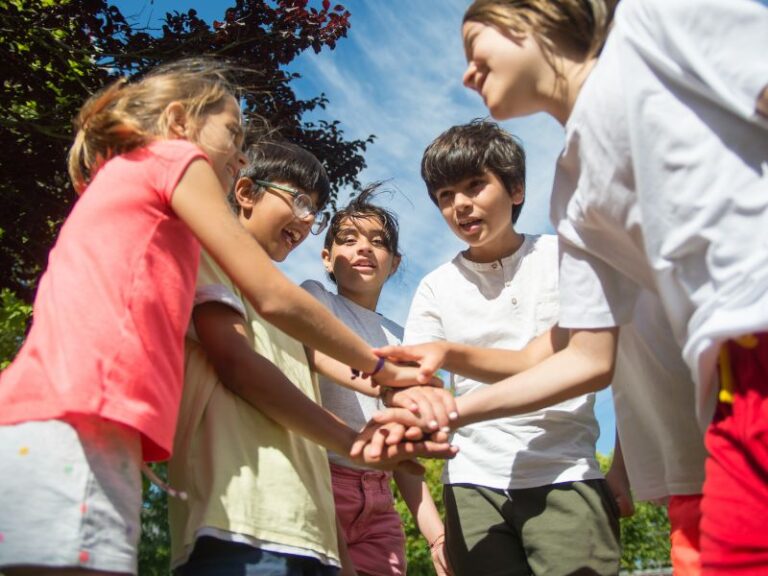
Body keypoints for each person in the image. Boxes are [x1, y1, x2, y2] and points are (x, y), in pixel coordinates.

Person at [0, 59, 450, 576]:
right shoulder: (172, 158)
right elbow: (271, 298)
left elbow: (307, 345)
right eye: (232, 134)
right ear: (177, 121)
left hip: (101, 427)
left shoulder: (169, 221)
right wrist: (382, 370)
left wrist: (387, 386)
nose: (239, 157)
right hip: (75, 421)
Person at [377, 1, 767, 573]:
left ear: (531, 18)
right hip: (721, 403)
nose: (466, 73)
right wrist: (447, 413)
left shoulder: (649, 24)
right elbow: (582, 356)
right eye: (444, 195)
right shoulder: (573, 192)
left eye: (474, 46)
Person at [169, 144, 455, 576]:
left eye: (314, 211)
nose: (306, 219)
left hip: (318, 511)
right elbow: (264, 358)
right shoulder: (289, 297)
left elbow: (328, 376)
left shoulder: (395, 335)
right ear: (243, 191)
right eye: (300, 201)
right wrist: (375, 398)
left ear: (395, 263)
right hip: (245, 513)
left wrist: (432, 529)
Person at [395, 120, 620, 576]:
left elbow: (603, 364)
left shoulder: (566, 260)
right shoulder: (435, 287)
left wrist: (623, 467)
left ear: (515, 189)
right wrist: (408, 403)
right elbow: (413, 380)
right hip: (473, 482)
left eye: (475, 186)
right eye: (444, 196)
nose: (460, 204)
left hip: (566, 470)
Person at [301, 186, 453, 576]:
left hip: (380, 503)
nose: (363, 249)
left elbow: (404, 458)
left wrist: (436, 536)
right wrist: (387, 384)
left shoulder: (403, 339)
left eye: (378, 242)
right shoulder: (317, 299)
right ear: (326, 258)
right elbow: (317, 354)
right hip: (321, 482)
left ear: (395, 262)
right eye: (348, 240)